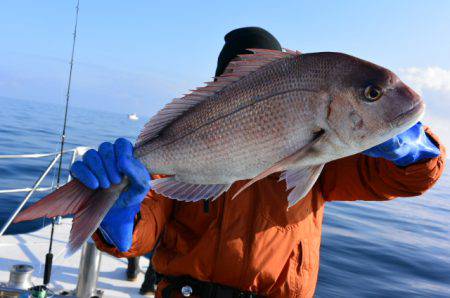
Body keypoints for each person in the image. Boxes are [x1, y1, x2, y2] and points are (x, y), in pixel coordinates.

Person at [70, 27, 446, 297]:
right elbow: (142, 233)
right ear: (217, 90)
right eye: (372, 94)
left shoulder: (331, 159)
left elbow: (406, 180)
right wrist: (117, 217)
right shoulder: (185, 153)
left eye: (371, 94)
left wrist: (419, 150)